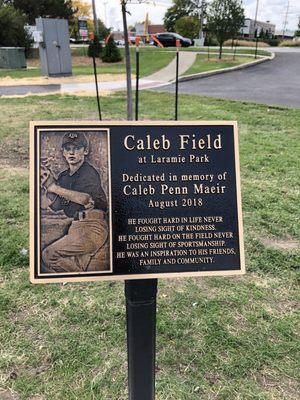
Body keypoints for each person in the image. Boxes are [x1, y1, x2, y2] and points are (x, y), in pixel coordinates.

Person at [41, 131, 109, 273]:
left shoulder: (89, 172)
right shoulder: (64, 177)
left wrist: (54, 187)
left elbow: (85, 199)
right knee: (77, 270)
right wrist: (46, 182)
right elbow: (53, 205)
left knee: (49, 255)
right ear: (63, 152)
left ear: (85, 151)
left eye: (76, 148)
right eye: (68, 148)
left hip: (92, 226)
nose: (71, 152)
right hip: (76, 226)